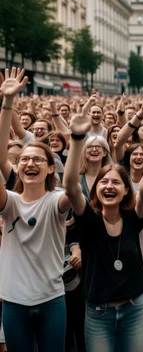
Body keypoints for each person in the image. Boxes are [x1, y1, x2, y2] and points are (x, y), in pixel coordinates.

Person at [63, 91, 143, 352]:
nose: (109, 186)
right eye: (104, 182)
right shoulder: (89, 221)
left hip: (135, 309)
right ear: (96, 190)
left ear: (126, 191)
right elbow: (69, 185)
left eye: (116, 182)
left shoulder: (133, 218)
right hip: (98, 313)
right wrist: (78, 139)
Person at [0, 68, 71, 352]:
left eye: (37, 159)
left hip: (52, 300)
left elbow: (74, 192)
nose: (29, 163)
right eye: (25, 159)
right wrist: (7, 104)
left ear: (51, 167)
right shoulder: (9, 202)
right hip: (14, 302)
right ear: (18, 167)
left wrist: (75, 140)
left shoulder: (58, 199)